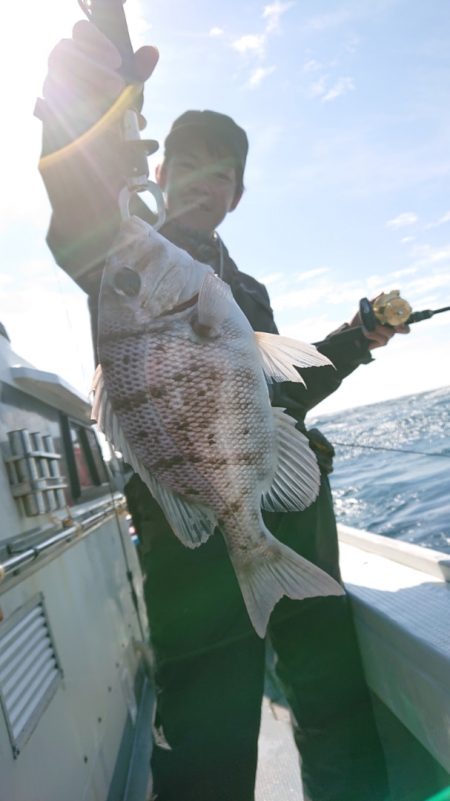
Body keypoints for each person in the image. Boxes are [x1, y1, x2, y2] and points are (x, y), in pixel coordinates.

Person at [37, 20, 409, 801]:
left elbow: (283, 390)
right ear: (160, 171)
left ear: (238, 194)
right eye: (194, 168)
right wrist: (80, 108)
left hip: (292, 522)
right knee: (206, 755)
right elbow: (78, 212)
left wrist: (359, 335)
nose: (209, 185)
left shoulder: (242, 291)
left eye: (225, 177)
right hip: (192, 556)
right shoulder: (122, 256)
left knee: (336, 715)